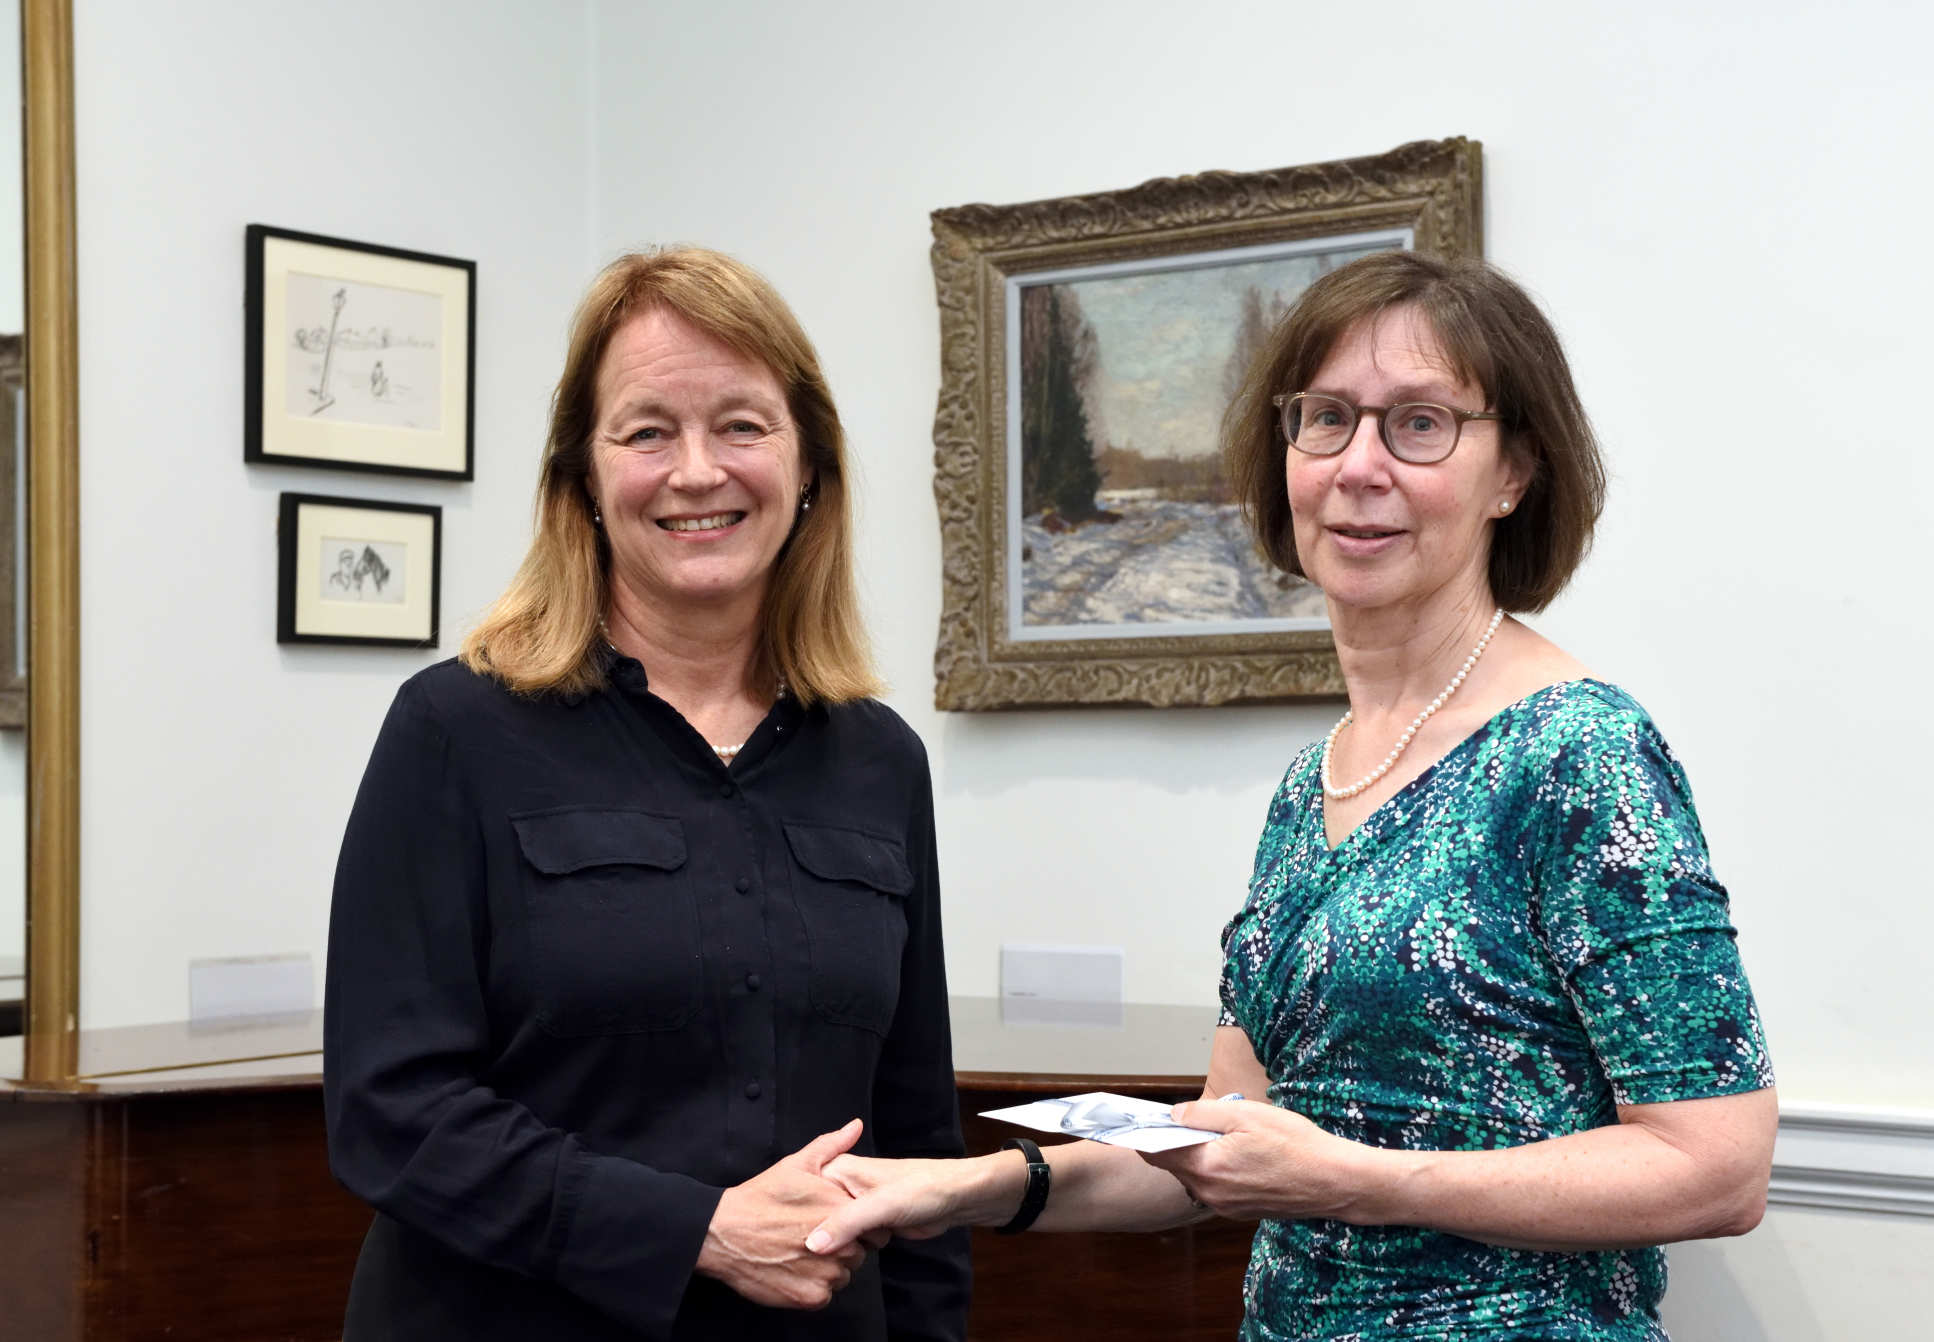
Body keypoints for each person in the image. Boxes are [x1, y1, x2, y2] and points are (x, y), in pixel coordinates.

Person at [806, 250, 1776, 1340]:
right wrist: (969, 1187)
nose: (1359, 464)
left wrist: (1358, 1178)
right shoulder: (1309, 783)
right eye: (1326, 418)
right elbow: (1219, 1148)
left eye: (1418, 423)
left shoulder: (1580, 753)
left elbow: (1715, 1165)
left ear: (1513, 472)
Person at [324, 247, 969, 1341]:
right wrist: (695, 1230)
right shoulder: (455, 731)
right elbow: (391, 1111)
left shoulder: (881, 762)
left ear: (808, 465)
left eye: (741, 425)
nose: (697, 470)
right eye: (646, 431)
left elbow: (914, 1136)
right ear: (581, 477)